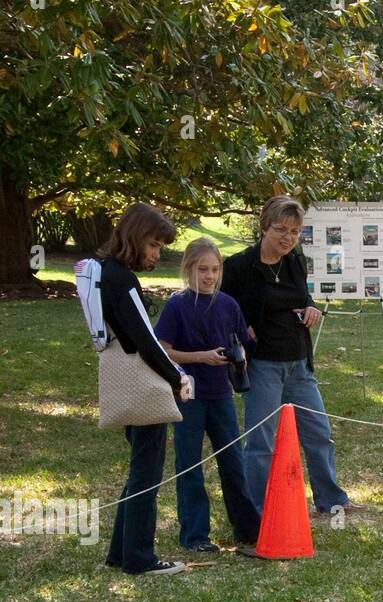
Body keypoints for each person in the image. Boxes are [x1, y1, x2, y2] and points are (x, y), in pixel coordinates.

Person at [222, 196, 358, 520]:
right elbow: (222, 312)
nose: (288, 237)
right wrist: (243, 329)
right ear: (264, 228)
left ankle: (331, 500)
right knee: (261, 442)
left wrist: (311, 308)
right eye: (281, 229)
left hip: (298, 362)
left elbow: (303, 297)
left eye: (295, 231)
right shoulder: (239, 266)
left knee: (318, 432)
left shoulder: (295, 260)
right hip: (262, 365)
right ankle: (258, 509)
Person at [99, 204, 193, 576]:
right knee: (147, 472)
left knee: (140, 468)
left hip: (126, 379)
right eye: (153, 245)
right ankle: (139, 557)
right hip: (141, 383)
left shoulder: (106, 272)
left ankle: (121, 551)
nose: (156, 254)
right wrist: (177, 378)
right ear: (136, 237)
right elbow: (145, 340)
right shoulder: (121, 279)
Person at [157, 238, 262, 555]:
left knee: (233, 461)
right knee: (189, 464)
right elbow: (163, 350)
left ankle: (247, 527)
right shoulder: (177, 305)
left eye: (215, 270)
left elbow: (242, 339)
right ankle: (194, 533)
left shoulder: (229, 304)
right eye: (202, 269)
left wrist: (238, 354)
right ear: (188, 269)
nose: (209, 276)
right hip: (188, 395)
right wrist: (200, 356)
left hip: (221, 394)